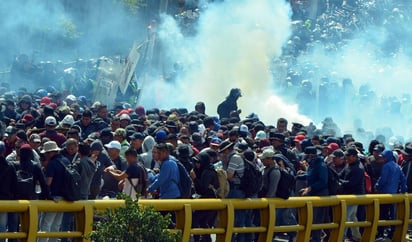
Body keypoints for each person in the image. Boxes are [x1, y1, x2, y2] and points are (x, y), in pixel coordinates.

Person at [39, 141, 70, 242]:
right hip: (65, 196)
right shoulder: (66, 161)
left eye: (46, 153)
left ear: (51, 152)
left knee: (46, 223)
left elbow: (48, 182)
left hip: (54, 197)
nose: (45, 155)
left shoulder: (52, 164)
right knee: (57, 224)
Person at [375, 149, 407, 240]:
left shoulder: (386, 166)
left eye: (383, 157)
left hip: (384, 195)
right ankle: (392, 233)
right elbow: (403, 179)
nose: (382, 159)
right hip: (394, 195)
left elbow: (383, 180)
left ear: (387, 157)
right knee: (392, 215)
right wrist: (403, 191)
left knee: (382, 214)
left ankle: (380, 233)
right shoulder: (397, 166)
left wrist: (377, 186)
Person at [299, 146, 328, 242]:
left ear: (311, 155)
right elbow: (310, 176)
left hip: (320, 194)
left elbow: (323, 181)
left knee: (317, 219)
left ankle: (316, 239)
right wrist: (299, 176)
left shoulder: (321, 165)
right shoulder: (313, 164)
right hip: (313, 193)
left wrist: (310, 188)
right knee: (311, 218)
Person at [190, 152, 218, 242]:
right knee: (202, 222)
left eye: (198, 162)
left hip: (209, 200)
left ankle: (198, 240)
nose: (197, 164)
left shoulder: (208, 172)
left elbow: (203, 188)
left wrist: (194, 178)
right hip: (204, 199)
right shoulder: (201, 170)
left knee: (195, 220)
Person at [341, 147, 365, 242]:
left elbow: (351, 183)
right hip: (349, 195)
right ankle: (357, 236)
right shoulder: (349, 165)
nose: (347, 159)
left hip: (355, 195)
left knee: (346, 216)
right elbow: (341, 175)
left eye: (349, 156)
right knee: (352, 216)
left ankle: (341, 237)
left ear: (355, 157)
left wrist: (340, 183)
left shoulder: (358, 168)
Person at [0, 141, 17, 242]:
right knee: (2, 225)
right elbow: (14, 184)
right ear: (3, 152)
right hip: (6, 199)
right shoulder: (10, 166)